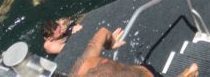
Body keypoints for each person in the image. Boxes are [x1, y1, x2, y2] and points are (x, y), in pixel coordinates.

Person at [69, 26, 199, 76]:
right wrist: (111, 43)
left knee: (192, 70)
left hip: (145, 72)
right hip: (143, 70)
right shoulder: (83, 65)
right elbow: (102, 33)